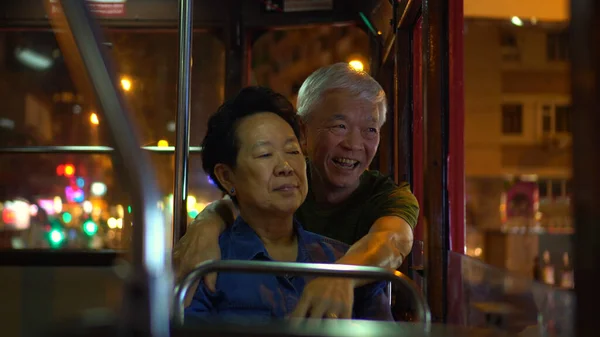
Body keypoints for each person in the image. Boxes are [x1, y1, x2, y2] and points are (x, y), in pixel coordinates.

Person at [174, 63, 419, 319]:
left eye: (370, 130)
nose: (354, 144)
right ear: (303, 131)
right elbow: (239, 199)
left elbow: (393, 240)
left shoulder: (379, 204)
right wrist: (204, 226)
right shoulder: (215, 261)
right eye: (339, 126)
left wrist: (340, 277)